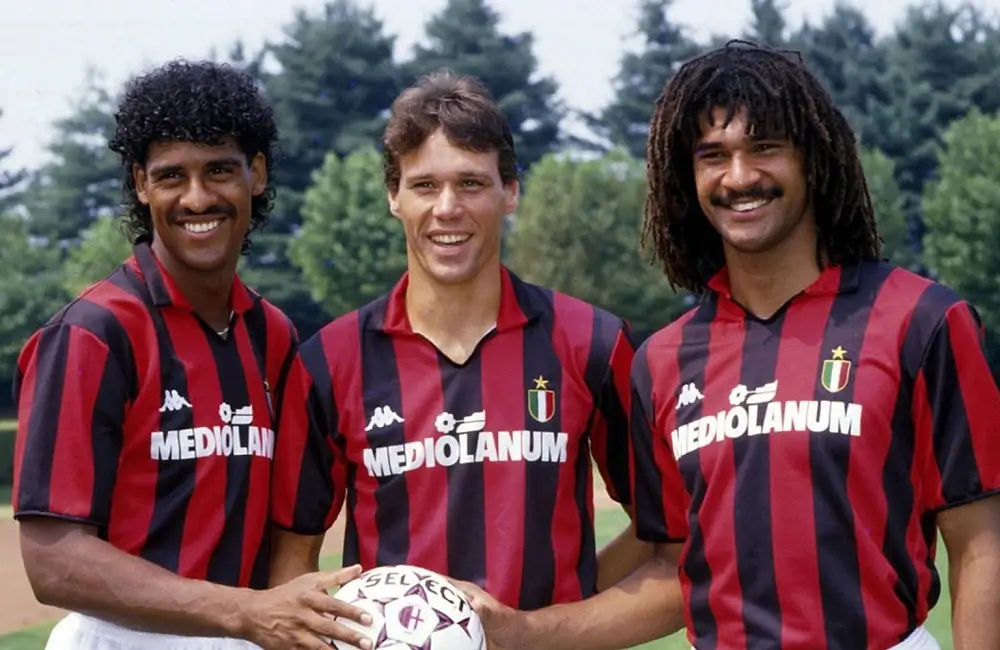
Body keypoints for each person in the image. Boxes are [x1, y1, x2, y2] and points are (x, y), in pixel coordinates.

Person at [457, 40, 1000, 650]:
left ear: (813, 159)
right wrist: (519, 632)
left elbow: (982, 540)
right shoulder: (661, 363)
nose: (739, 176)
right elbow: (671, 568)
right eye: (712, 155)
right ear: (685, 179)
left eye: (764, 147)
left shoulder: (922, 320)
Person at [268, 70, 650, 643]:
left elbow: (662, 534)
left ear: (510, 192)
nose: (448, 208)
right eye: (425, 186)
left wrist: (543, 624)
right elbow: (290, 561)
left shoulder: (590, 342)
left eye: (471, 184)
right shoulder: (329, 360)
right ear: (393, 196)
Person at [11, 60, 371, 650]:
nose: (197, 197)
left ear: (255, 174)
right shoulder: (92, 334)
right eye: (172, 175)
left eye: (220, 170)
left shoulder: (273, 335)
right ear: (141, 184)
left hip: (249, 633)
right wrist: (242, 612)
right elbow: (55, 561)